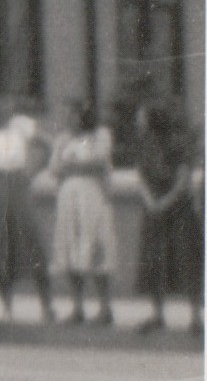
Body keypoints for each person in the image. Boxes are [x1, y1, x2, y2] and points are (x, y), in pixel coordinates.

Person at [0, 93, 55, 322]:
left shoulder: (21, 126)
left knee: (31, 239)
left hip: (19, 184)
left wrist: (34, 170)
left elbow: (48, 144)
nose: (7, 106)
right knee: (1, 244)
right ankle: (7, 305)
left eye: (8, 102)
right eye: (1, 102)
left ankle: (46, 304)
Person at [133, 101, 204, 337]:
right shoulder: (145, 145)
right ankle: (157, 314)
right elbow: (141, 175)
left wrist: (164, 202)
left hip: (178, 209)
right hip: (154, 208)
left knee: (186, 260)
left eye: (142, 116)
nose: (138, 121)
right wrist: (151, 201)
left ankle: (195, 317)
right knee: (155, 260)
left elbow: (183, 178)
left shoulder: (177, 142)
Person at [45, 99, 117, 327]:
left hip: (92, 197)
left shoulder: (100, 136)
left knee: (95, 247)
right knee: (71, 248)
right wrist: (73, 166)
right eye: (67, 115)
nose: (69, 119)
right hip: (69, 198)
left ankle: (105, 308)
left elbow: (100, 163)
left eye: (74, 114)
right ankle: (77, 306)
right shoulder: (63, 140)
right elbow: (55, 168)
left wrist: (73, 166)